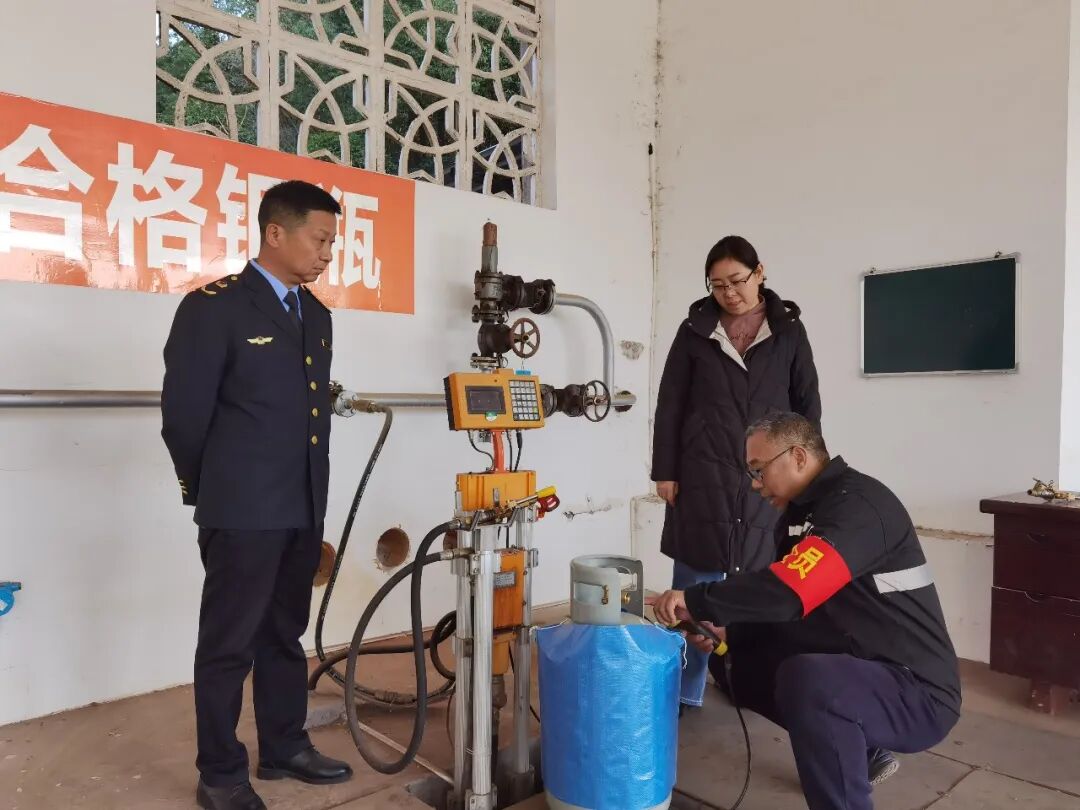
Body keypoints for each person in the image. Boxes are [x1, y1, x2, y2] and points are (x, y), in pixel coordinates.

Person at [648, 413, 961, 810]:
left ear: (797, 456)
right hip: (863, 660)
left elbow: (788, 593)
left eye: (759, 470)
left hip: (916, 690)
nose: (756, 484)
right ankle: (857, 750)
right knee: (737, 666)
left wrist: (696, 599)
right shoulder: (803, 516)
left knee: (812, 683)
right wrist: (731, 634)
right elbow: (790, 607)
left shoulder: (858, 507)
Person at [162, 180, 352, 810]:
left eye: (332, 241)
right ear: (276, 232)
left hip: (301, 506)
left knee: (284, 633)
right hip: (241, 510)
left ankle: (283, 746)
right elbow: (183, 419)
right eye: (320, 239)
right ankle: (220, 774)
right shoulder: (213, 309)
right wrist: (214, 493)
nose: (328, 253)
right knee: (228, 645)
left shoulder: (315, 316)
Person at [652, 235, 821, 713]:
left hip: (766, 474)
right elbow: (671, 403)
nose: (729, 293)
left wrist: (806, 475)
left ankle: (749, 679)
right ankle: (687, 688)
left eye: (737, 281)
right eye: (718, 285)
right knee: (696, 577)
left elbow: (807, 405)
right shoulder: (695, 331)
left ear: (759, 273)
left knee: (759, 580)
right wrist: (665, 470)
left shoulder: (788, 332)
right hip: (702, 468)